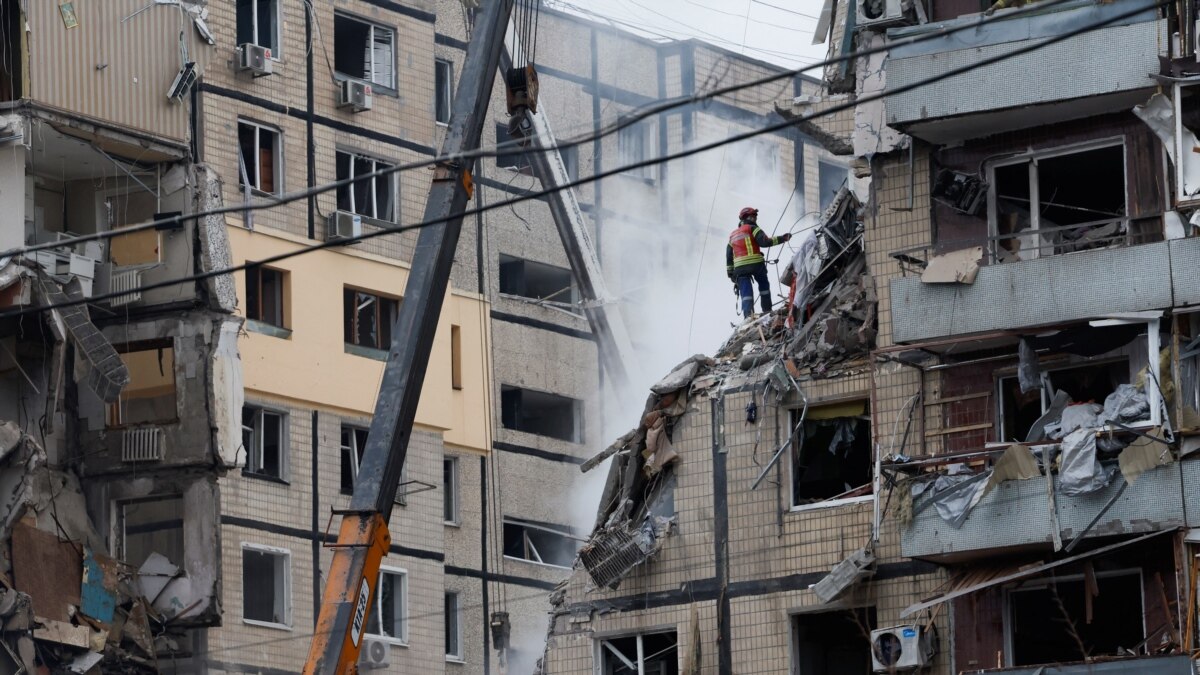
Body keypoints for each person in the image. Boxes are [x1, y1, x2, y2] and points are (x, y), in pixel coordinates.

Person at [726, 207, 791, 318]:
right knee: (764, 287)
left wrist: (730, 274)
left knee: (746, 294)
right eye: (754, 216)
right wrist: (783, 238)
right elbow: (765, 242)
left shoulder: (732, 235)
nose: (755, 219)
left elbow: (728, 256)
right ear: (748, 218)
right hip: (756, 265)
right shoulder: (753, 228)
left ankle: (748, 318)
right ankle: (767, 312)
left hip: (740, 270)